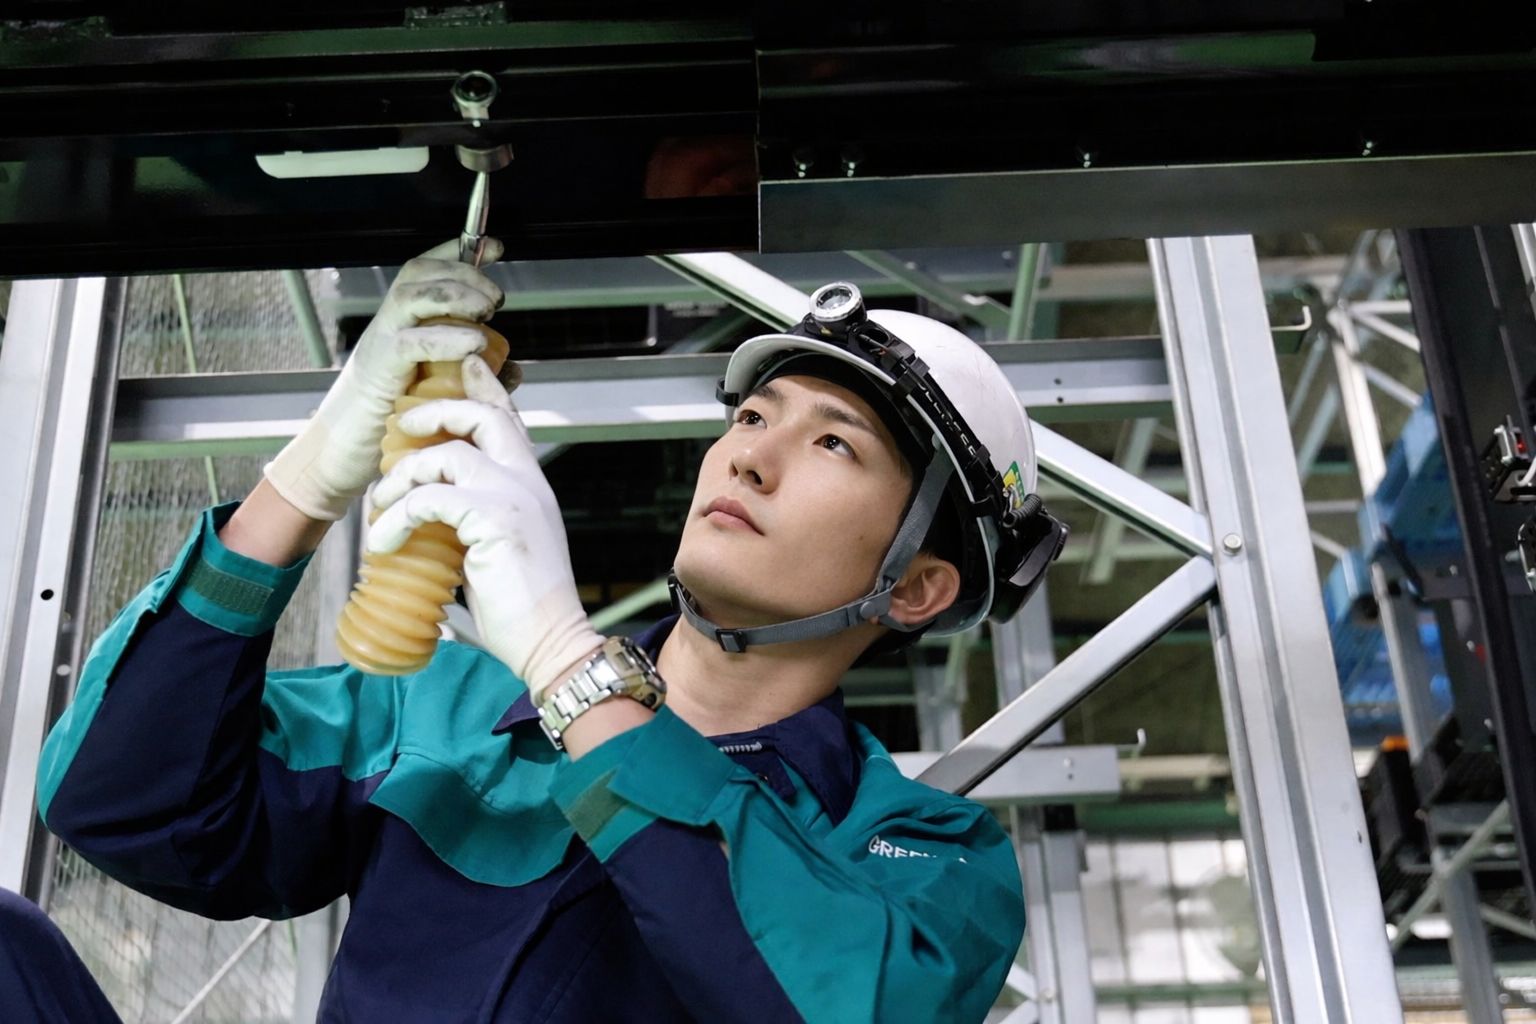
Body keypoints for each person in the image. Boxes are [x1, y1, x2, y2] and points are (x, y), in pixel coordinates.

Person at [36, 240, 1065, 1023]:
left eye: (834, 443)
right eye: (754, 416)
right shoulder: (445, 715)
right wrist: (303, 483)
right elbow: (120, 803)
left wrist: (566, 661)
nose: (749, 457)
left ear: (916, 588)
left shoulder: (927, 859)